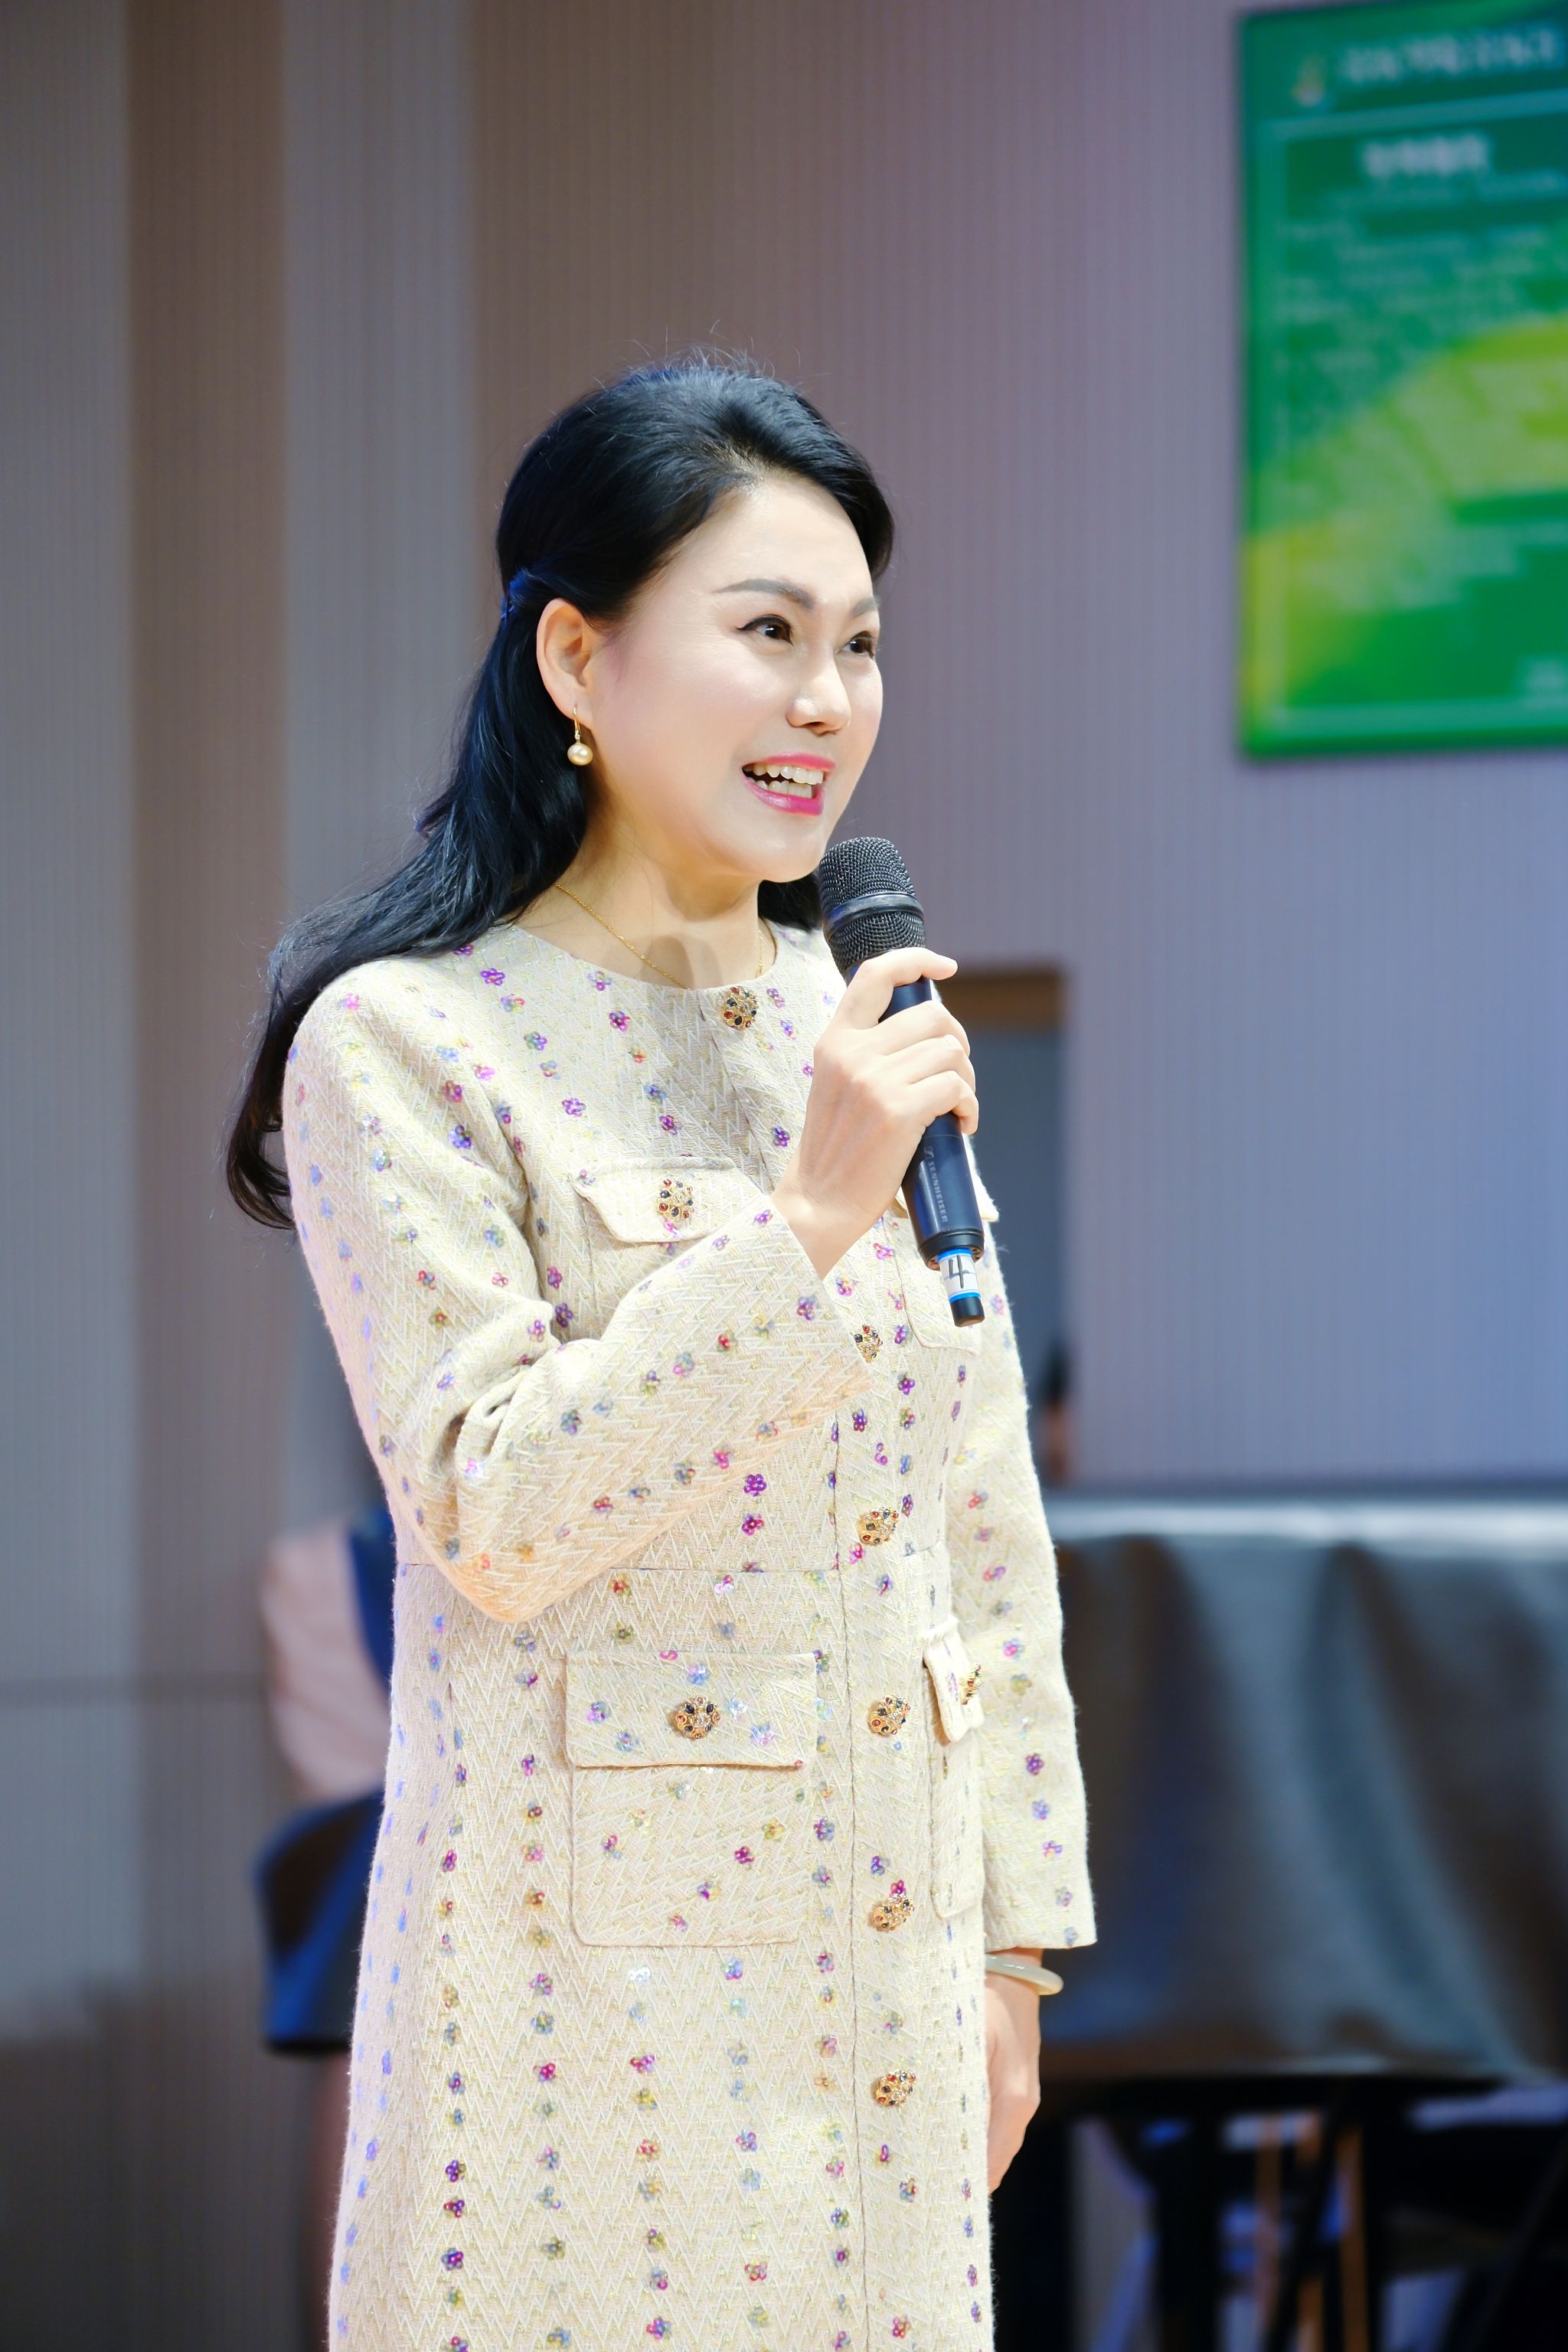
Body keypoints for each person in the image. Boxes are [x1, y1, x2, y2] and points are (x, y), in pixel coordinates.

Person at [227, 358, 1094, 2351]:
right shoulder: (408, 1039)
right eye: (768, 632)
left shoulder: (860, 1024)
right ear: (575, 658)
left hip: (894, 1983)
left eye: (860, 646)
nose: (828, 700)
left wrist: (1016, 1951)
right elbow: (494, 1509)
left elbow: (980, 1530)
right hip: (581, 2021)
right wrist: (804, 1223)